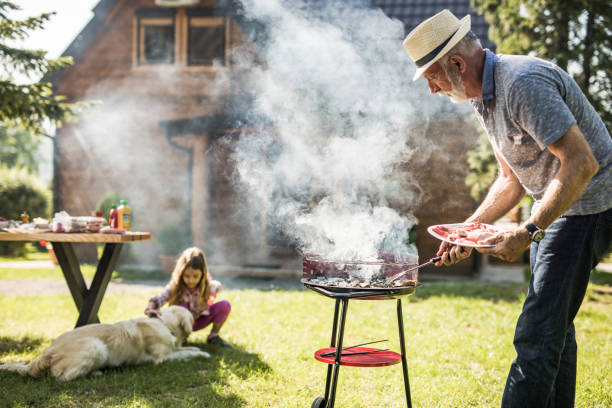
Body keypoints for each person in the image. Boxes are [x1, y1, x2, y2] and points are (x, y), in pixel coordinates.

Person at [402, 9, 612, 408]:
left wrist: (528, 231)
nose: (432, 89)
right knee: (554, 327)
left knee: (536, 333)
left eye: (433, 78)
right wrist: (466, 229)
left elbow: (583, 164)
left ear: (458, 64)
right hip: (560, 203)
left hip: (589, 202)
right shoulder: (483, 96)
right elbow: (510, 179)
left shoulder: (522, 84)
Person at [145, 247, 232, 347]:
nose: (191, 280)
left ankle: (213, 336)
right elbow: (158, 299)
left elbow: (215, 288)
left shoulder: (207, 287)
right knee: (182, 308)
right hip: (180, 325)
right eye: (187, 276)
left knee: (225, 305)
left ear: (202, 275)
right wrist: (150, 308)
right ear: (181, 274)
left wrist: (214, 287)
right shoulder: (175, 288)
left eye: (195, 276)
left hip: (198, 321)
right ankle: (181, 337)